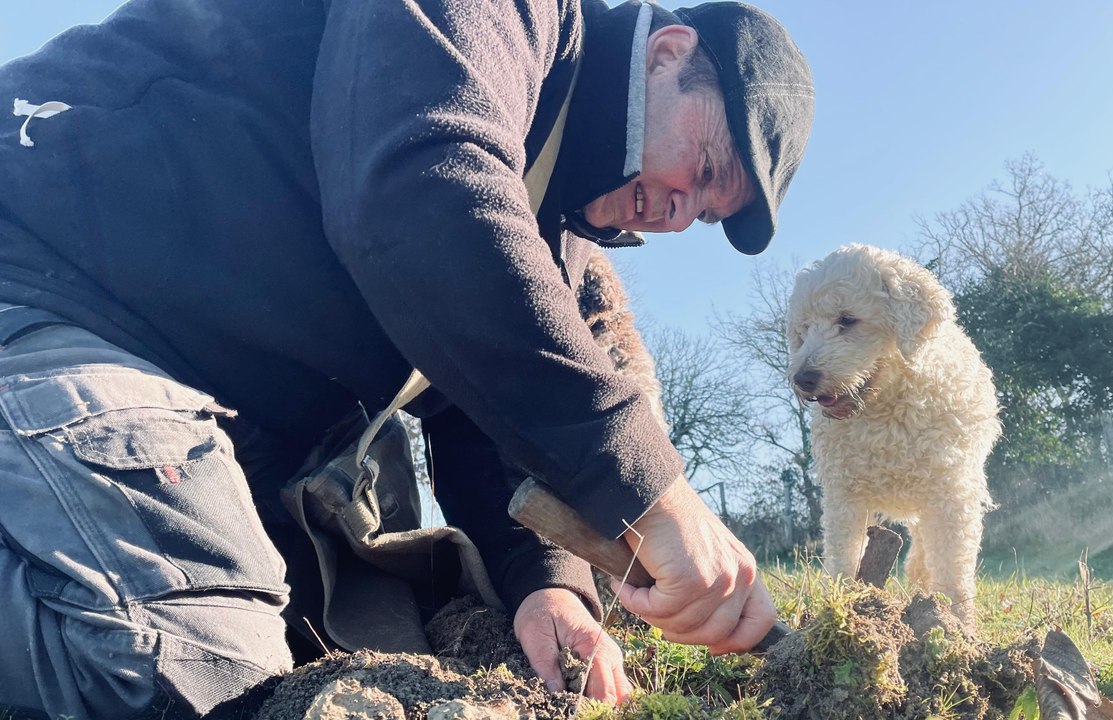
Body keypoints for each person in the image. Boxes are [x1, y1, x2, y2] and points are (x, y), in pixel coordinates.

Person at [0, 0, 812, 715]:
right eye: (705, 169)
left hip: (219, 418)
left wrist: (546, 586)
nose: (678, 213)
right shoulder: (504, 21)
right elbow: (418, 194)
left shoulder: (548, 236)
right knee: (202, 671)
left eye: (704, 212)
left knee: (372, 646)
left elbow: (477, 412)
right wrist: (655, 490)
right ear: (668, 52)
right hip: (48, 290)